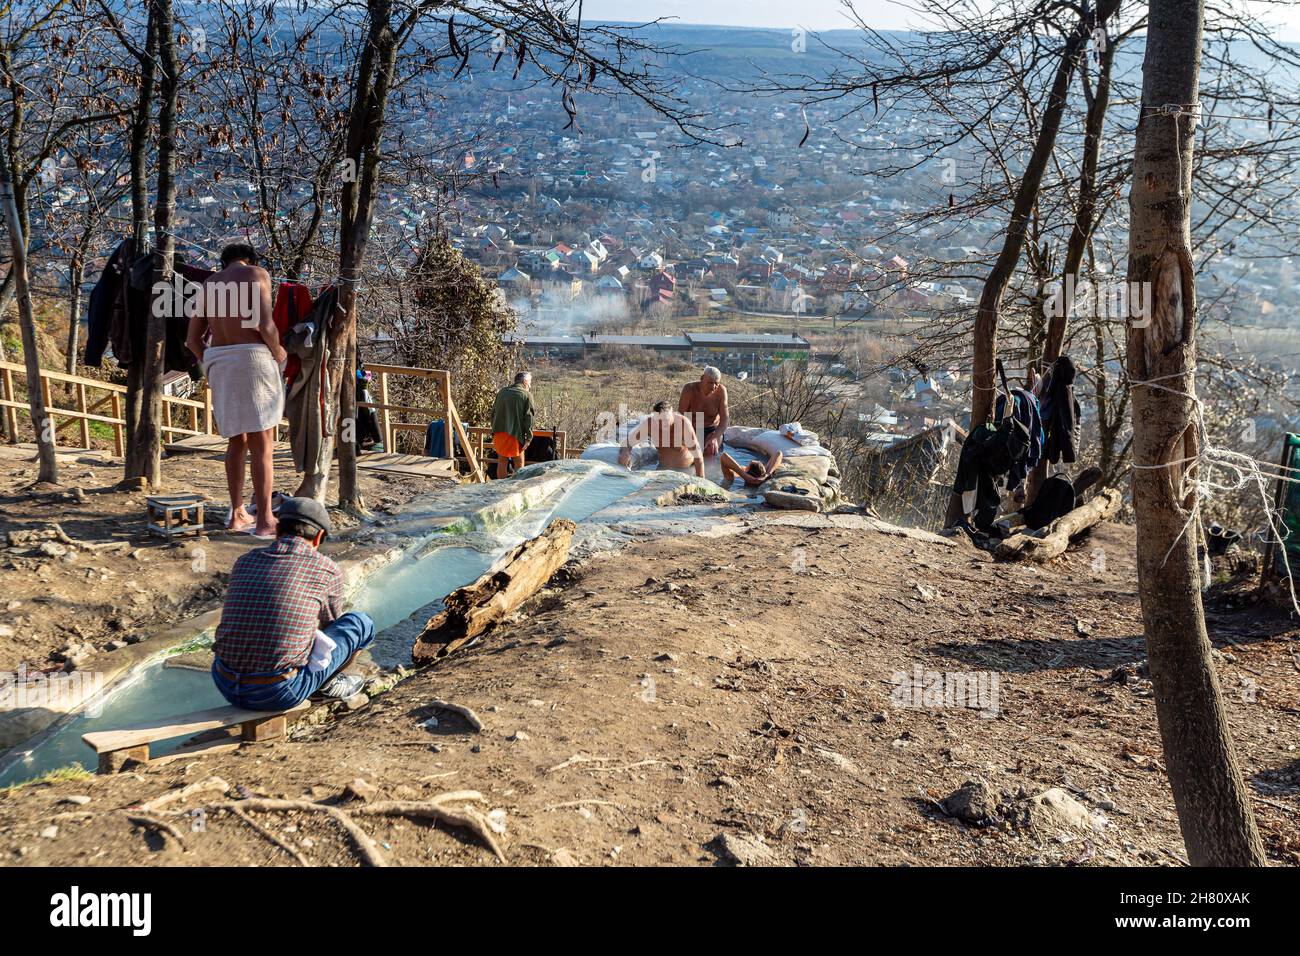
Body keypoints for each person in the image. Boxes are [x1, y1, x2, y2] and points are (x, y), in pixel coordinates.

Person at [211, 497, 374, 709]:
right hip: (278, 693)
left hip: (224, 681)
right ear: (318, 538)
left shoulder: (245, 560)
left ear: (277, 531)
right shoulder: (326, 568)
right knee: (359, 622)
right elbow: (331, 629)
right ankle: (328, 684)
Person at [185, 243, 283, 537]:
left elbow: (193, 341)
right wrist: (279, 352)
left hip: (220, 361)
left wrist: (214, 362)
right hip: (252, 357)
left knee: (236, 440)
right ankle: (265, 520)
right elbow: (265, 325)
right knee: (262, 440)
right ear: (249, 259)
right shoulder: (256, 274)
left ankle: (237, 513)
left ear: (223, 262)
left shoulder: (209, 284)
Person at [619, 400, 704, 478]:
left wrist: (701, 481)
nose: (663, 424)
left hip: (686, 471)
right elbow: (628, 442)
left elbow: (698, 456)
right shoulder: (650, 423)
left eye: (666, 419)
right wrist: (626, 452)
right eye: (659, 420)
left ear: (672, 413)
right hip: (661, 471)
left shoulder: (683, 424)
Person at [490, 371, 535, 479]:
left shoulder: (502, 392)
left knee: (502, 462)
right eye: (529, 382)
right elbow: (529, 418)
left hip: (499, 432)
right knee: (519, 463)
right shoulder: (526, 395)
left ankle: (500, 488)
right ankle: (514, 490)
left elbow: (493, 413)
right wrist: (529, 437)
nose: (530, 385)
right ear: (524, 382)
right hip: (514, 434)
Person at [678, 366, 729, 458]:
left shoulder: (721, 391)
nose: (713, 386)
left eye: (716, 383)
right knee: (688, 454)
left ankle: (710, 471)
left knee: (711, 449)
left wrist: (715, 437)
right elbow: (681, 416)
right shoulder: (689, 389)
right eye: (710, 383)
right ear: (702, 379)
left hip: (712, 430)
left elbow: (725, 419)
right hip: (691, 428)